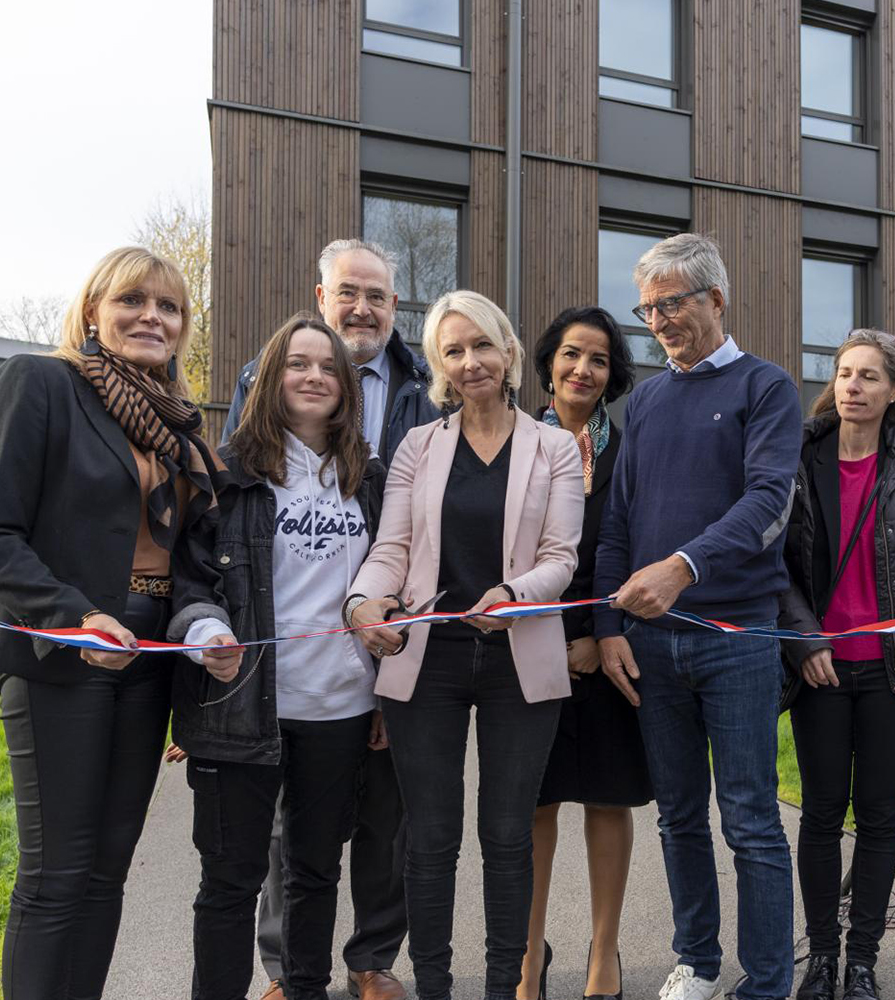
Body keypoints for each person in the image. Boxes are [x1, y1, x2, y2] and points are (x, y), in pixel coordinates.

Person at [0, 246, 224, 1000]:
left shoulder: (176, 422)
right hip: (64, 653)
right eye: (132, 301)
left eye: (169, 306)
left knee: (110, 868)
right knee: (57, 871)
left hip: (150, 658)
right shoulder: (40, 384)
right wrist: (77, 617)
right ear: (91, 314)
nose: (152, 316)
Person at [345, 290, 584, 1000]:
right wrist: (363, 602)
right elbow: (392, 548)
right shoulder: (418, 445)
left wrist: (515, 595)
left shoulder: (554, 446)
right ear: (438, 366)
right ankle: (435, 987)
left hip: (520, 656)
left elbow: (562, 555)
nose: (471, 361)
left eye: (482, 344)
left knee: (508, 838)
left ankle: (508, 986)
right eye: (454, 350)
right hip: (430, 660)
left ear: (508, 352)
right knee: (430, 838)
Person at [221, 238, 436, 1000]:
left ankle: (372, 960)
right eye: (350, 291)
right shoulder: (264, 387)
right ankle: (287, 969)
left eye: (378, 295)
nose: (363, 307)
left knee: (387, 823)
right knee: (288, 841)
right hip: (280, 682)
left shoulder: (422, 387)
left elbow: (414, 547)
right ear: (322, 297)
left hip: (370, 665)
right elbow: (230, 553)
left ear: (395, 307)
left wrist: (393, 670)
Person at [593, 233, 802, 1000]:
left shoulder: (766, 388)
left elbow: (769, 501)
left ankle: (769, 982)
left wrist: (684, 568)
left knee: (748, 818)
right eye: (647, 308)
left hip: (737, 640)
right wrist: (612, 628)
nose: (657, 321)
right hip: (651, 645)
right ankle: (699, 962)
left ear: (716, 299)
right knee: (679, 814)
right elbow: (618, 520)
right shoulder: (642, 400)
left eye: (671, 303)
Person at [168, 315, 384, 1000]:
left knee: (315, 871)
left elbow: (392, 579)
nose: (315, 376)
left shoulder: (367, 477)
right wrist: (204, 634)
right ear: (269, 379)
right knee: (231, 881)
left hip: (340, 707)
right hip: (242, 709)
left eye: (329, 367)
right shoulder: (227, 473)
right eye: (298, 363)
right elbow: (190, 579)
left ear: (347, 386)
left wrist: (384, 685)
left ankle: (306, 990)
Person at [777, 329, 895, 1000]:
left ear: (894, 391)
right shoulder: (799, 455)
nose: (852, 386)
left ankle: (863, 961)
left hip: (892, 674)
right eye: (844, 373)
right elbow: (776, 567)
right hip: (821, 671)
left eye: (868, 377)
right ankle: (822, 957)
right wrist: (805, 642)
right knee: (823, 813)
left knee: (880, 818)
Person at [517, 307, 651, 1000]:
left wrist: (602, 638)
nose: (582, 369)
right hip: (526, 649)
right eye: (571, 354)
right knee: (533, 805)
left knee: (607, 798)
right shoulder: (512, 443)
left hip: (609, 646)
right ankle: (527, 954)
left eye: (598, 360)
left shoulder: (629, 452)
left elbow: (637, 546)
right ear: (548, 362)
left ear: (612, 375)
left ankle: (605, 952)